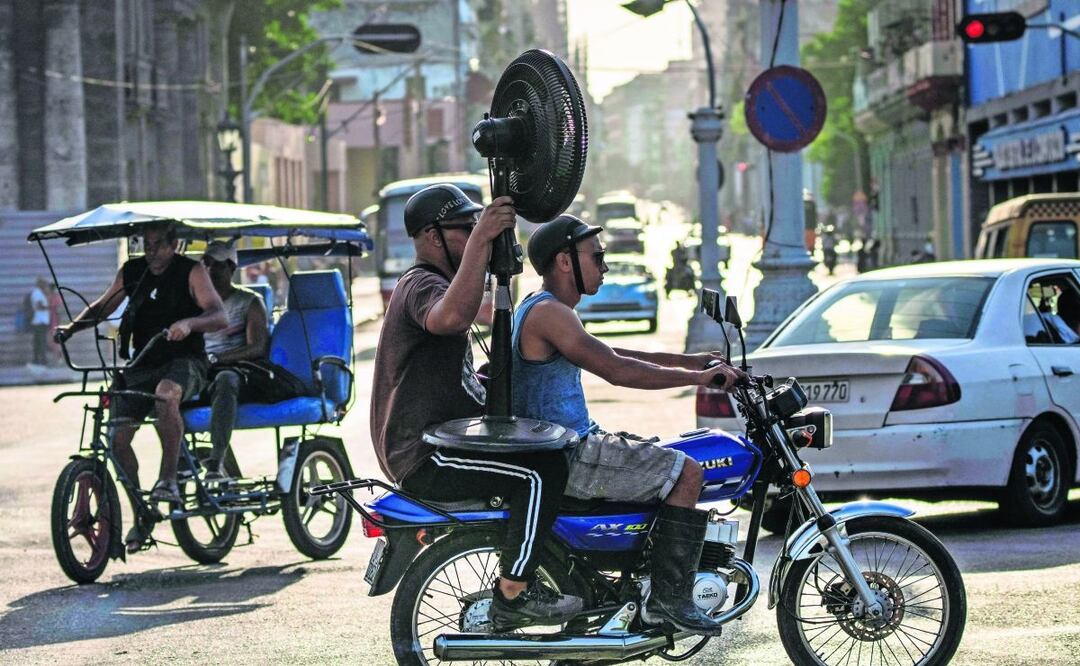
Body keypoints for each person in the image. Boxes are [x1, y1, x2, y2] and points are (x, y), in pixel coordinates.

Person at [511, 214, 747, 636]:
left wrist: (691, 361)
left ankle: (641, 581)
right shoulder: (550, 313)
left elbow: (611, 351)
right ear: (565, 262)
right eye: (596, 257)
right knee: (687, 472)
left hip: (567, 445)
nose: (604, 267)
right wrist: (697, 379)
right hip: (572, 454)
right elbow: (617, 370)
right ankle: (667, 602)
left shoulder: (543, 308)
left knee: (669, 454)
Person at [369, 184, 582, 631]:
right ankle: (514, 594)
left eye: (474, 227)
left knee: (547, 454)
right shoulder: (420, 285)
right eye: (463, 229)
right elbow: (450, 318)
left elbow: (465, 378)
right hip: (424, 455)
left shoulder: (438, 284)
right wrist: (483, 239)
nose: (473, 236)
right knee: (543, 471)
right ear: (433, 237)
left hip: (439, 442)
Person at [56, 222, 226, 551]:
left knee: (166, 394)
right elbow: (104, 306)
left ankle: (169, 480)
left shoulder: (191, 271)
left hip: (185, 362)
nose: (151, 252)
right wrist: (71, 329)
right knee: (116, 437)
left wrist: (189, 323)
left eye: (158, 245)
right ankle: (142, 512)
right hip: (141, 364)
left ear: (174, 244)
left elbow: (219, 315)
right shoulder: (132, 270)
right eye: (145, 245)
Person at [200, 241, 270, 481]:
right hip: (202, 370)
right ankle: (179, 462)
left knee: (225, 379)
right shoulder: (195, 304)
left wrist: (217, 359)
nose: (210, 271)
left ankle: (216, 460)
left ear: (230, 268)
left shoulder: (249, 302)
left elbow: (258, 347)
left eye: (216, 266)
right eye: (206, 265)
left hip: (238, 370)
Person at [29, 277, 51, 366]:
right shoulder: (37, 293)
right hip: (40, 321)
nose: (46, 286)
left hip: (41, 321)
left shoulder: (39, 293)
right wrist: (48, 307)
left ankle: (37, 359)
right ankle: (42, 360)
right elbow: (38, 306)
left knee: (38, 341)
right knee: (41, 341)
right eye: (44, 284)